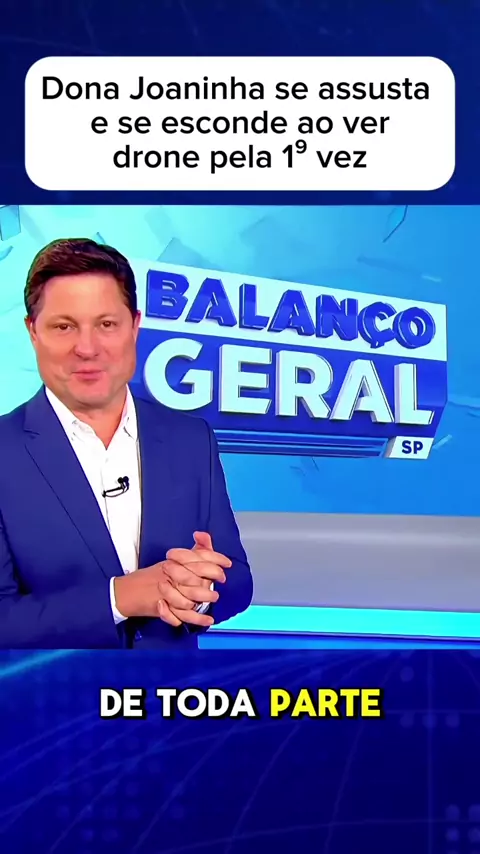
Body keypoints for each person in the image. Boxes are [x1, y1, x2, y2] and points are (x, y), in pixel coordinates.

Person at [0, 238, 253, 648]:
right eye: (64, 327)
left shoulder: (191, 439)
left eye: (106, 324)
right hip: (58, 688)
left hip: (174, 688)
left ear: (134, 326)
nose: (87, 348)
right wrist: (120, 598)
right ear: (33, 331)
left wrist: (198, 591)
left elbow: (237, 579)